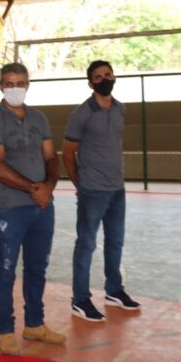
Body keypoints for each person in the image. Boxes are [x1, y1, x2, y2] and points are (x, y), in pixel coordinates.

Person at [0, 62, 66, 356]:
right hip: (11, 210)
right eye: (9, 83)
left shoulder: (39, 118)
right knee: (5, 270)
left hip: (42, 207)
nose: (14, 88)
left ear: (28, 85)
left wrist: (49, 186)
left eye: (20, 83)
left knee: (37, 268)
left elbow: (51, 156)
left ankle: (35, 324)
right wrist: (34, 189)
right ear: (1, 86)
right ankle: (6, 331)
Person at [63, 60, 141, 322]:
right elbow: (68, 153)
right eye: (98, 77)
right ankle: (80, 299)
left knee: (115, 241)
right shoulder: (81, 114)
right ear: (90, 83)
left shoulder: (120, 108)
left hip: (117, 189)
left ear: (114, 77)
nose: (104, 79)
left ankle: (114, 291)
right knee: (86, 244)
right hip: (93, 190)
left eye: (108, 74)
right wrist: (80, 184)